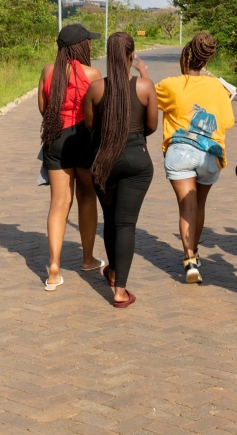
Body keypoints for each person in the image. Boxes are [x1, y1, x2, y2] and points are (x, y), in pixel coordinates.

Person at [84, 32, 158, 308]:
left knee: (111, 218)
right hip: (136, 161)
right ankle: (120, 290)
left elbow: (91, 126)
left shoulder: (96, 89)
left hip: (103, 161)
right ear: (130, 56)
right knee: (126, 223)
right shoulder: (145, 87)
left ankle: (113, 270)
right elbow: (151, 127)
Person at [155, 33, 234, 284]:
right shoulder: (218, 88)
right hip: (210, 155)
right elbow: (229, 122)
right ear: (206, 61)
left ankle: (189, 260)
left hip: (180, 152)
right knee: (199, 206)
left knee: (186, 207)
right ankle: (195, 254)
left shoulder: (171, 84)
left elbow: (148, 98)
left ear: (185, 57)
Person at [38, 24, 105, 291]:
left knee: (58, 202)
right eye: (89, 42)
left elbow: (44, 109)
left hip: (55, 140)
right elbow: (99, 114)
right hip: (84, 140)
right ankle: (87, 259)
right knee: (87, 197)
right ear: (82, 46)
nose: (91, 45)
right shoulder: (92, 74)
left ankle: (54, 267)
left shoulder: (47, 71)